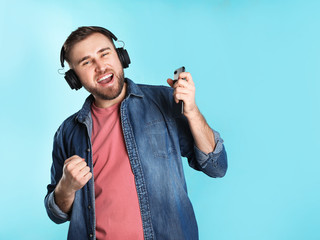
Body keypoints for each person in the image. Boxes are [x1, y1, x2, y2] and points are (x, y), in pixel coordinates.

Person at [44, 26, 227, 240]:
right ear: (73, 79)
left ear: (121, 56)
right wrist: (66, 187)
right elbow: (56, 213)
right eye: (86, 62)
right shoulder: (67, 132)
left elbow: (217, 167)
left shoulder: (164, 101)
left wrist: (193, 112)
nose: (101, 66)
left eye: (105, 54)